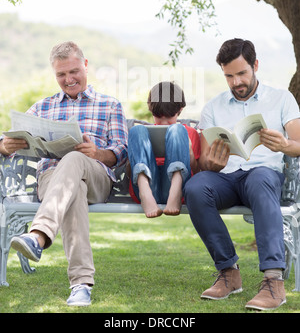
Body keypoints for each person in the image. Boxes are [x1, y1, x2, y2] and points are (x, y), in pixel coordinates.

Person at [0, 41, 128, 307]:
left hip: (97, 177)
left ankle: (38, 235)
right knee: (73, 191)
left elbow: (122, 152)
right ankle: (81, 286)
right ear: (54, 74)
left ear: (85, 66)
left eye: (73, 72)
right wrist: (5, 145)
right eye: (61, 75)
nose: (68, 79)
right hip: (52, 181)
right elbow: (8, 138)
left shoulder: (109, 105)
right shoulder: (41, 107)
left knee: (74, 159)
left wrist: (98, 153)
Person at [184, 38, 300, 311]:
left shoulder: (282, 98)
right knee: (196, 187)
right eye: (229, 76)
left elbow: (297, 143)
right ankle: (228, 272)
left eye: (241, 73)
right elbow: (203, 162)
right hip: (226, 176)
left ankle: (273, 282)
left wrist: (284, 145)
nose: (236, 82)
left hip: (263, 174)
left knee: (260, 179)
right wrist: (209, 163)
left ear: (255, 66)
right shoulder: (213, 107)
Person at [128, 81, 201, 218]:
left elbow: (197, 173)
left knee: (177, 130)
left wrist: (190, 153)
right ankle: (145, 195)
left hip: (177, 188)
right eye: (159, 117)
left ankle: (175, 193)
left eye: (169, 117)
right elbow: (129, 170)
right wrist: (132, 156)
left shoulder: (189, 133)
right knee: (137, 130)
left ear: (180, 110)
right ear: (151, 109)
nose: (164, 123)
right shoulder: (146, 134)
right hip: (147, 187)